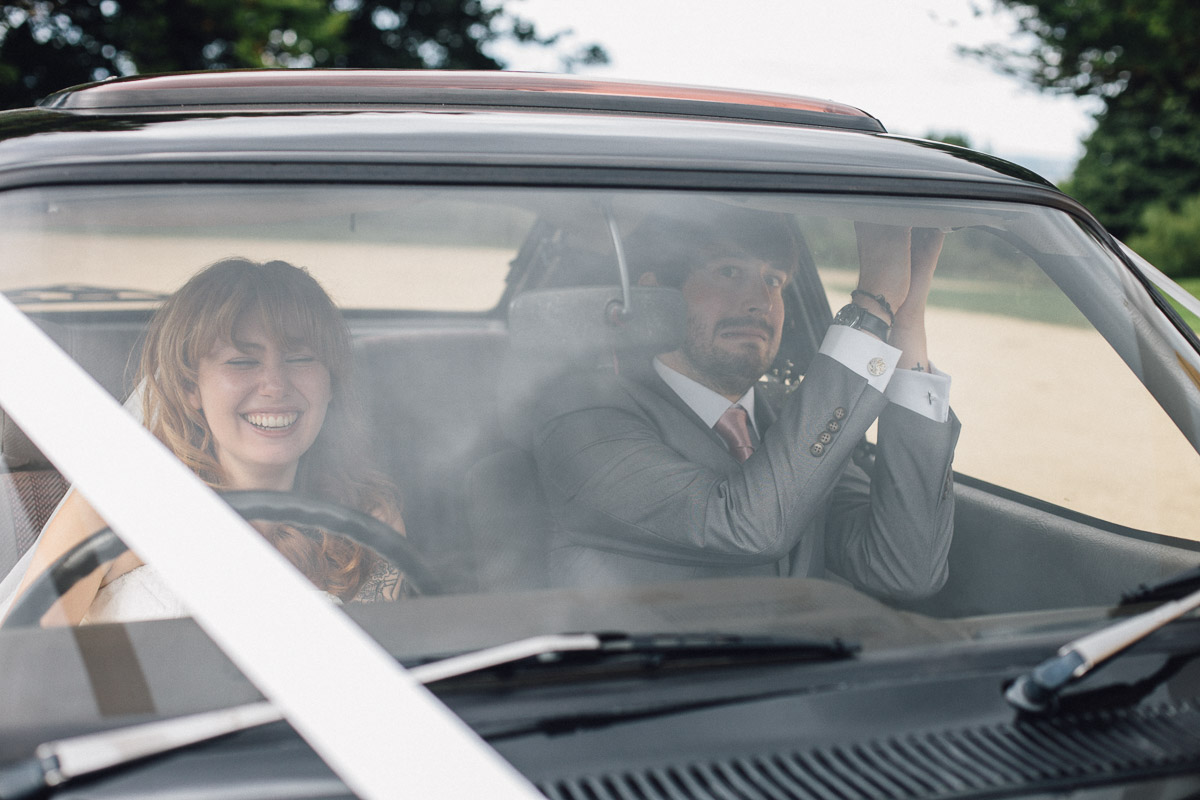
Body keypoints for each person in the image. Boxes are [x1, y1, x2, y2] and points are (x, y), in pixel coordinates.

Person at [530, 205, 959, 598]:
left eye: (773, 280)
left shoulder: (792, 420)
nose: (760, 302)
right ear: (655, 296)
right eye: (729, 272)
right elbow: (746, 527)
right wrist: (871, 307)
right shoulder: (582, 420)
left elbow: (905, 570)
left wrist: (907, 319)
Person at [7, 258, 405, 625]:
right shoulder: (113, 509)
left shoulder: (366, 521)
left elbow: (386, 680)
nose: (275, 386)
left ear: (331, 381)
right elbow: (21, 670)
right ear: (190, 386)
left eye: (300, 359)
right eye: (242, 361)